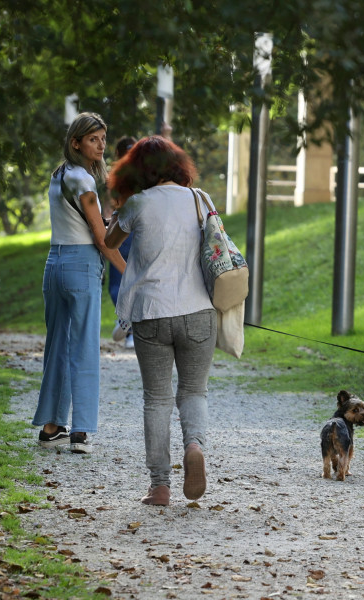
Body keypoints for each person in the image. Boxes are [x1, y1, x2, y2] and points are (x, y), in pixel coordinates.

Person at [104, 135, 216, 506]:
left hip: (152, 312)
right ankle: (195, 445)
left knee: (157, 399)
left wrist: (117, 210)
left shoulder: (136, 204)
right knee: (193, 391)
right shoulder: (200, 199)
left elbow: (110, 241)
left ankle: (160, 486)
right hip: (198, 310)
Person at [34, 112, 126, 454]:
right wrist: (128, 273)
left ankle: (52, 424)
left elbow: (88, 222)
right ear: (76, 143)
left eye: (103, 138)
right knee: (84, 346)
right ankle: (82, 430)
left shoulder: (60, 176)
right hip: (80, 264)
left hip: (54, 264)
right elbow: (101, 239)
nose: (101, 145)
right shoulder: (83, 181)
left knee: (57, 344)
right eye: (93, 139)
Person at [108, 136, 138, 349]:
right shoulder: (115, 176)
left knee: (125, 284)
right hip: (128, 233)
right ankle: (130, 327)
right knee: (121, 286)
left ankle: (131, 329)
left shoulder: (142, 176)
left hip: (130, 233)